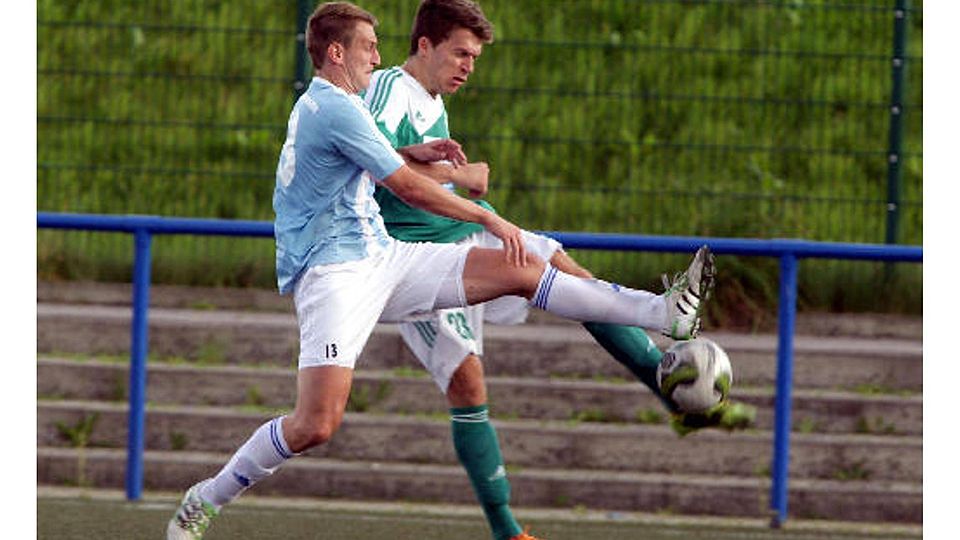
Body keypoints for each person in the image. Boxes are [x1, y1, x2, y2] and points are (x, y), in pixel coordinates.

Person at [167, 3, 713, 539]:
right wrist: (484, 213)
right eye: (368, 47)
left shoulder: (342, 103)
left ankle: (663, 312)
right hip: (336, 276)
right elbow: (405, 186)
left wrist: (419, 153)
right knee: (315, 425)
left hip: (386, 256)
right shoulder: (335, 106)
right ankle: (206, 497)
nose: (377, 57)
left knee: (525, 269)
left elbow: (383, 160)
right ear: (335, 53)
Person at [361, 2, 755, 538]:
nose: (468, 67)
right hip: (414, 259)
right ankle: (507, 530)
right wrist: (461, 175)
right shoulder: (388, 87)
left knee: (575, 279)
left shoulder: (431, 98)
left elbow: (411, 165)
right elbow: (374, 161)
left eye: (474, 58)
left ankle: (676, 396)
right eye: (460, 53)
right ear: (425, 45)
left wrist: (455, 180)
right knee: (468, 383)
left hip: (465, 229)